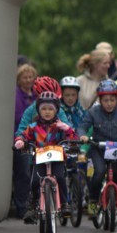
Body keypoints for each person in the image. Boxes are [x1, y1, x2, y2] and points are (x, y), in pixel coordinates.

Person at [78, 79, 117, 218]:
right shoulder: (93, 112)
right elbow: (83, 126)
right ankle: (93, 200)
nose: (109, 103)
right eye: (105, 100)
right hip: (98, 148)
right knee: (99, 172)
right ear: (100, 100)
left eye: (112, 100)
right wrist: (82, 136)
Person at [15, 91, 78, 223]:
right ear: (38, 110)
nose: (47, 112)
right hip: (39, 160)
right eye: (44, 109)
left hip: (57, 160)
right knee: (34, 182)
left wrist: (67, 129)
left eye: (51, 109)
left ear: (56, 111)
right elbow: (23, 135)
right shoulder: (33, 127)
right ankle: (32, 206)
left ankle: (65, 203)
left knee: (60, 177)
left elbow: (73, 138)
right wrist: (20, 141)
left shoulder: (59, 127)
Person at [15, 63, 37, 132]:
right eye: (25, 78)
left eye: (30, 77)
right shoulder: (16, 95)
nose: (28, 80)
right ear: (19, 80)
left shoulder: (37, 93)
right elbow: (18, 117)